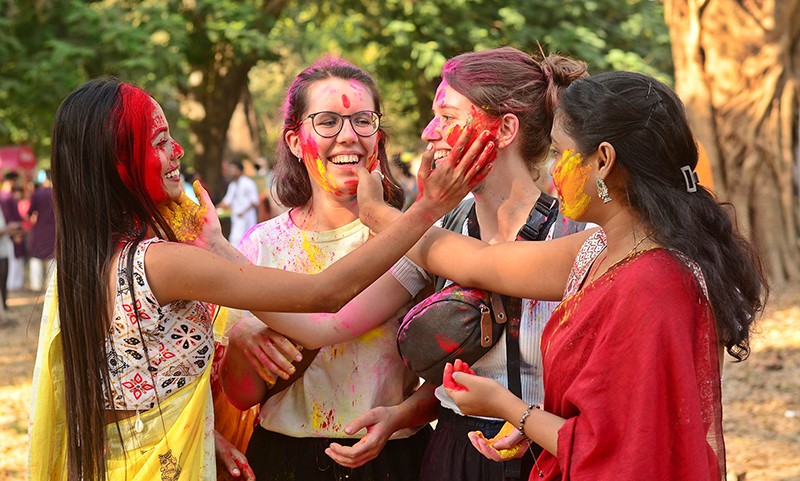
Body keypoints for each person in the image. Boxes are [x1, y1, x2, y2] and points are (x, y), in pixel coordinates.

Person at [27, 77, 491, 481]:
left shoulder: (86, 265)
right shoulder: (166, 262)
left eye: (363, 121)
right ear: (119, 161)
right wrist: (427, 208)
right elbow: (322, 295)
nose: (178, 152)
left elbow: (130, 394)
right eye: (160, 140)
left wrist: (205, 434)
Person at [358, 71, 769, 480]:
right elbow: (475, 262)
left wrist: (511, 409)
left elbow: (621, 451)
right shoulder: (599, 251)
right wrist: (385, 214)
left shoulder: (652, 284)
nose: (552, 171)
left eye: (559, 153)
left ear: (603, 161)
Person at [217, 56, 498, 481]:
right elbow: (241, 397)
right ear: (295, 141)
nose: (348, 137)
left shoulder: (420, 242)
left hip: (395, 459)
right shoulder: (260, 245)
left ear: (378, 137)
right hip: (283, 460)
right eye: (327, 121)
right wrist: (242, 338)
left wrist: (400, 417)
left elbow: (451, 380)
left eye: (362, 120)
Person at [411, 46, 588, 481]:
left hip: (547, 455)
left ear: (505, 128)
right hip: (451, 456)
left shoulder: (575, 235)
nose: (429, 132)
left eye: (448, 117)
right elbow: (337, 314)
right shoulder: (445, 226)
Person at [217, 160, 260, 247]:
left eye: (234, 169)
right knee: (235, 241)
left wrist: (243, 212)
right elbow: (226, 201)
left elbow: (254, 201)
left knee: (249, 242)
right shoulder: (233, 185)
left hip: (247, 217)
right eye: (231, 170)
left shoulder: (248, 183)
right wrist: (213, 208)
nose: (232, 172)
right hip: (237, 219)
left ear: (240, 170)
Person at [27, 170, 56, 291]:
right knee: (53, 258)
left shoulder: (37, 194)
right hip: (55, 230)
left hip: (40, 229)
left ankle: (35, 284)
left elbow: (30, 212)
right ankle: (51, 285)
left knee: (36, 257)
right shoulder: (58, 194)